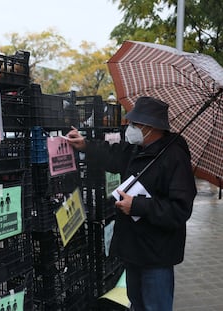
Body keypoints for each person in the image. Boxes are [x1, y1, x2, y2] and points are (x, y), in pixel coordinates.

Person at [67, 96, 197, 311]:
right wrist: (85, 145)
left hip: (156, 254)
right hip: (133, 249)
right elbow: (112, 156)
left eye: (135, 124)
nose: (130, 127)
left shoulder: (174, 157)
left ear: (149, 127)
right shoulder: (137, 149)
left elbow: (179, 209)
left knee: (155, 306)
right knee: (136, 303)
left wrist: (137, 206)